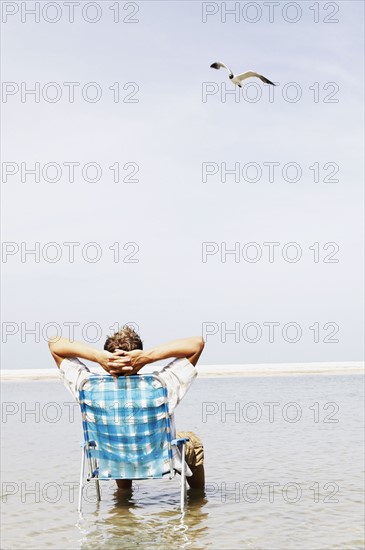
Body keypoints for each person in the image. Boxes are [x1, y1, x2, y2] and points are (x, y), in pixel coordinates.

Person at [48, 326, 205, 491]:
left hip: (114, 463)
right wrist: (146, 357)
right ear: (138, 358)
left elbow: (54, 344)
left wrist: (97, 357)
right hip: (159, 462)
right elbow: (196, 344)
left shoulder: (87, 387)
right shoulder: (160, 385)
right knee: (192, 441)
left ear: (105, 359)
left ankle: (124, 499)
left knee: (118, 438)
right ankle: (198, 497)